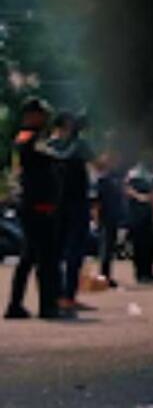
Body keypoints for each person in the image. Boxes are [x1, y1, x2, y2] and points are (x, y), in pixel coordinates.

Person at [4, 99, 73, 320]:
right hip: (37, 206)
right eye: (41, 114)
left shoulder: (35, 139)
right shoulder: (27, 138)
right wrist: (60, 155)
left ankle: (18, 305)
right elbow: (43, 156)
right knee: (46, 259)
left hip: (39, 205)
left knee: (31, 257)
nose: (44, 119)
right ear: (30, 115)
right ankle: (47, 306)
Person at [48, 112, 95, 312]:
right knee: (74, 252)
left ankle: (59, 296)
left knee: (57, 252)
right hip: (75, 203)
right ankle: (67, 297)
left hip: (56, 204)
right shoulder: (79, 145)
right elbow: (95, 161)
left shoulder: (48, 145)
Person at [93, 151, 127, 289]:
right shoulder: (102, 179)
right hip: (105, 216)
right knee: (105, 249)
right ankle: (104, 276)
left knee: (110, 248)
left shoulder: (114, 178)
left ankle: (107, 275)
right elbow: (96, 202)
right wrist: (96, 219)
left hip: (114, 216)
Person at [126, 162, 153, 283]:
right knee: (140, 248)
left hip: (144, 219)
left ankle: (146, 272)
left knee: (147, 247)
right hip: (138, 220)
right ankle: (142, 274)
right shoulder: (132, 182)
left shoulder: (147, 181)